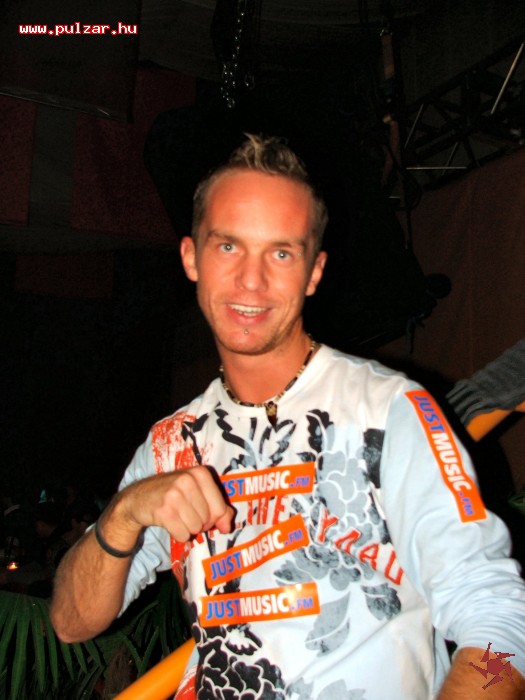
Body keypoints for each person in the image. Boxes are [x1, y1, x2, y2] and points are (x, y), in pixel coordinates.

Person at [50, 134, 525, 699]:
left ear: (314, 272)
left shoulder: (387, 412)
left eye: (281, 253)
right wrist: (124, 514)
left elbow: (501, 629)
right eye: (229, 246)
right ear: (191, 258)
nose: (251, 280)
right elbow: (71, 623)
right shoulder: (171, 444)